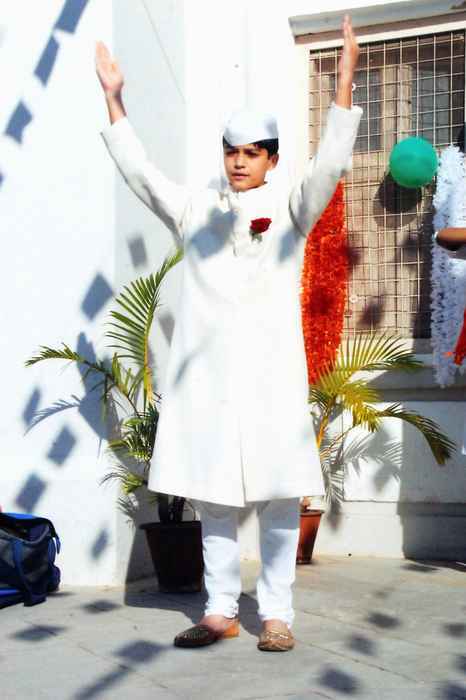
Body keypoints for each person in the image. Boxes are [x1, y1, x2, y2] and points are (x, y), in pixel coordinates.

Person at [95, 15, 361, 652]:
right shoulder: (196, 209)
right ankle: (220, 611)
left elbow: (329, 165)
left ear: (271, 159)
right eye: (231, 152)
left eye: (251, 153)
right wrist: (114, 100)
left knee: (278, 499)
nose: (239, 162)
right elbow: (141, 175)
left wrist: (345, 80)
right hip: (209, 382)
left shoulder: (292, 209)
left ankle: (277, 615)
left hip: (271, 380)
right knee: (213, 501)